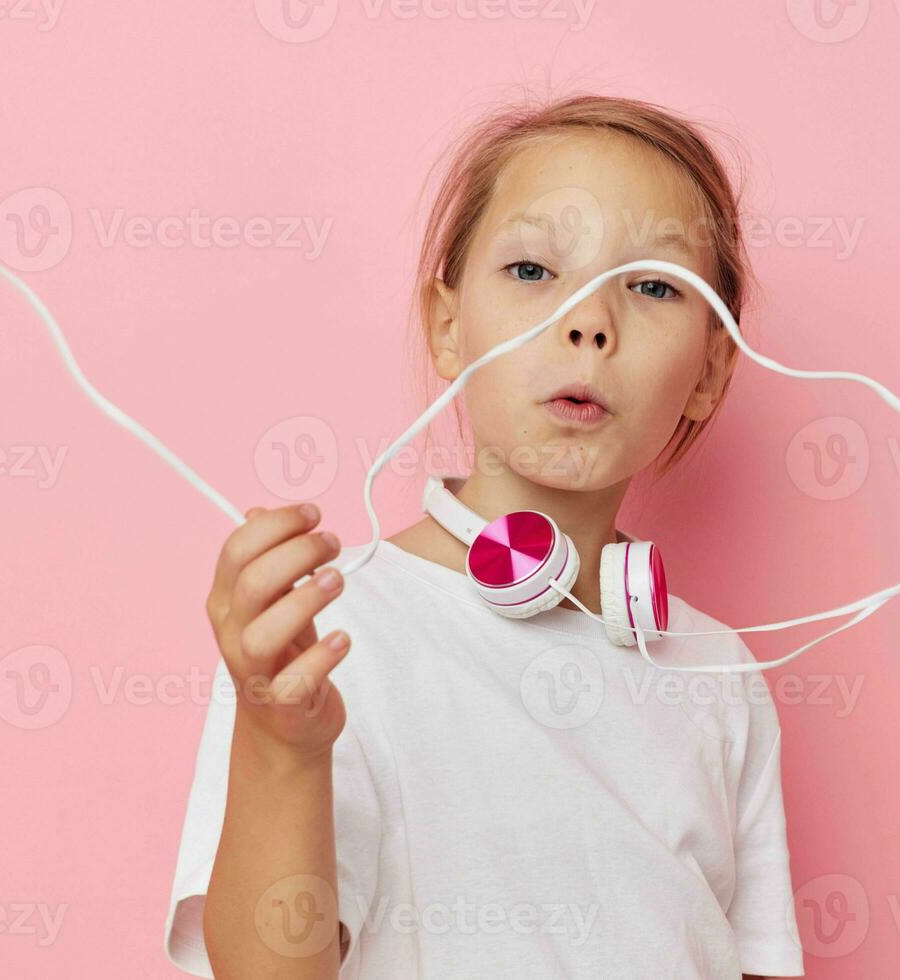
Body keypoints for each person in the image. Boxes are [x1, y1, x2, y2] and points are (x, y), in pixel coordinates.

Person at [162, 92, 805, 979]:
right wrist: (283, 746)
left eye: (653, 286)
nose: (590, 323)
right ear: (447, 324)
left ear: (710, 368)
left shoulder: (718, 669)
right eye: (534, 270)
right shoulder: (323, 637)